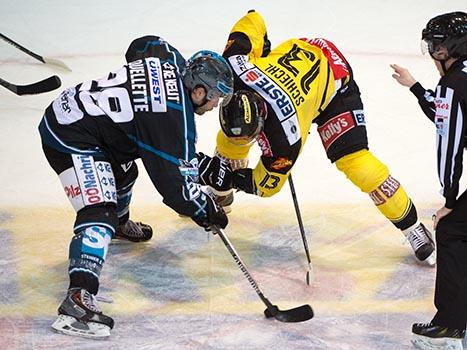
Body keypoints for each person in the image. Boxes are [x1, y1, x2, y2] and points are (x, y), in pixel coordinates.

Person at [201, 10, 436, 265]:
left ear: (262, 123)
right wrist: (261, 50)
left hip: (335, 84)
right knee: (229, 140)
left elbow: (266, 185)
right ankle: (220, 195)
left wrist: (231, 176)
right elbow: (253, 18)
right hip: (300, 61)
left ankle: (413, 227)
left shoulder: (286, 138)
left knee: (357, 164)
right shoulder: (234, 68)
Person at [39, 35, 232, 338]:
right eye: (215, 97)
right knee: (99, 210)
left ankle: (120, 223)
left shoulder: (169, 59)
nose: (215, 104)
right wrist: (206, 210)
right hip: (71, 137)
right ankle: (77, 300)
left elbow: (143, 44)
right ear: (198, 91)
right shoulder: (173, 118)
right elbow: (175, 189)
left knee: (125, 172)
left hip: (81, 115)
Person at [391, 11, 467, 350]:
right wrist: (416, 87)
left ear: (447, 49)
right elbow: (445, 111)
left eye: (435, 46)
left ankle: (451, 325)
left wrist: (449, 202)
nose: (433, 53)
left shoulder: (453, 84)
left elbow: (449, 146)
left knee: (452, 230)